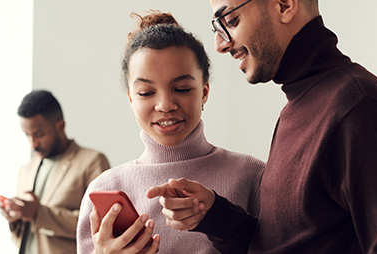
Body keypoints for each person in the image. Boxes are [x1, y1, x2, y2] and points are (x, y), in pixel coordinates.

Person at [146, 0, 377, 252]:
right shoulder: (296, 108)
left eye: (231, 21)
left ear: (284, 4)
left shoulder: (356, 104)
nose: (221, 44)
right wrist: (212, 213)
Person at [75, 11, 265, 254]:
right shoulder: (105, 188)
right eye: (146, 93)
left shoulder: (252, 176)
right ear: (131, 99)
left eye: (182, 88)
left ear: (204, 91)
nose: (165, 105)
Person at [0, 89, 111, 254]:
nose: (33, 143)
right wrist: (15, 218)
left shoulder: (92, 161)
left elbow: (101, 225)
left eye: (39, 134)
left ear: (60, 125)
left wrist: (39, 213)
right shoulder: (26, 170)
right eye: (27, 135)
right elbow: (26, 238)